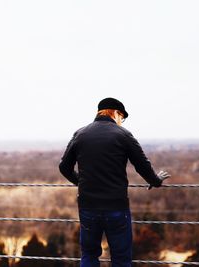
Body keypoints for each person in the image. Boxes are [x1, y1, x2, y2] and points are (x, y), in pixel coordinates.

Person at [59, 97, 170, 267]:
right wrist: (156, 180)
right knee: (121, 258)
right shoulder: (123, 135)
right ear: (116, 113)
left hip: (88, 206)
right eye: (122, 117)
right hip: (116, 207)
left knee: (89, 255)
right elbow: (142, 165)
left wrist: (82, 183)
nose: (121, 122)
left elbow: (64, 167)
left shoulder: (80, 134)